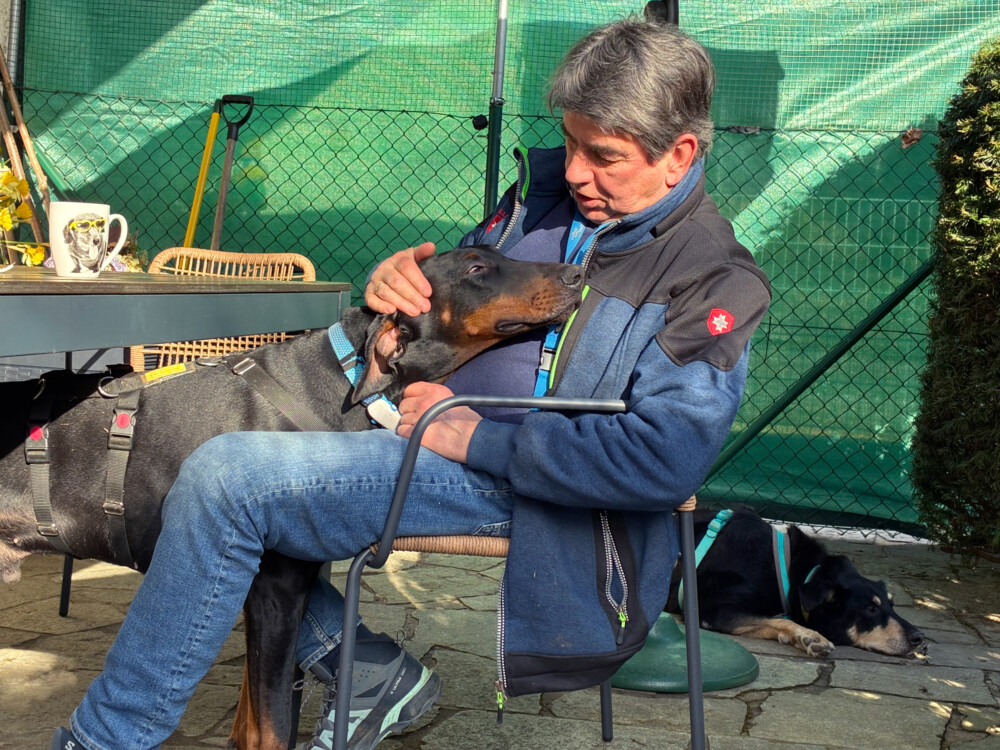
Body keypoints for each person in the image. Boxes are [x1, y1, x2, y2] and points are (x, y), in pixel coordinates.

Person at [53, 15, 770, 750]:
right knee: (208, 471)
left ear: (679, 155)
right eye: (572, 143)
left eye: (604, 156)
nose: (577, 171)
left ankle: (106, 739)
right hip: (416, 433)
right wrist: (398, 282)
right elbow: (460, 290)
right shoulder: (548, 197)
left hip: (527, 482)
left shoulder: (711, 278)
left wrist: (480, 440)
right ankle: (364, 670)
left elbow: (665, 459)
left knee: (228, 480)